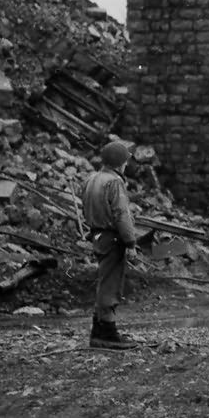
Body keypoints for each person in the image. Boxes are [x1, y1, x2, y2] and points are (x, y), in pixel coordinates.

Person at [80, 140, 141, 351]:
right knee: (111, 283)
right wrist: (131, 242)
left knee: (104, 279)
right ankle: (107, 331)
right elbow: (121, 215)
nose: (126, 165)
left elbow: (86, 208)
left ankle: (98, 328)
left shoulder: (92, 179)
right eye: (125, 161)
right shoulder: (114, 182)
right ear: (119, 163)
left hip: (97, 235)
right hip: (112, 238)